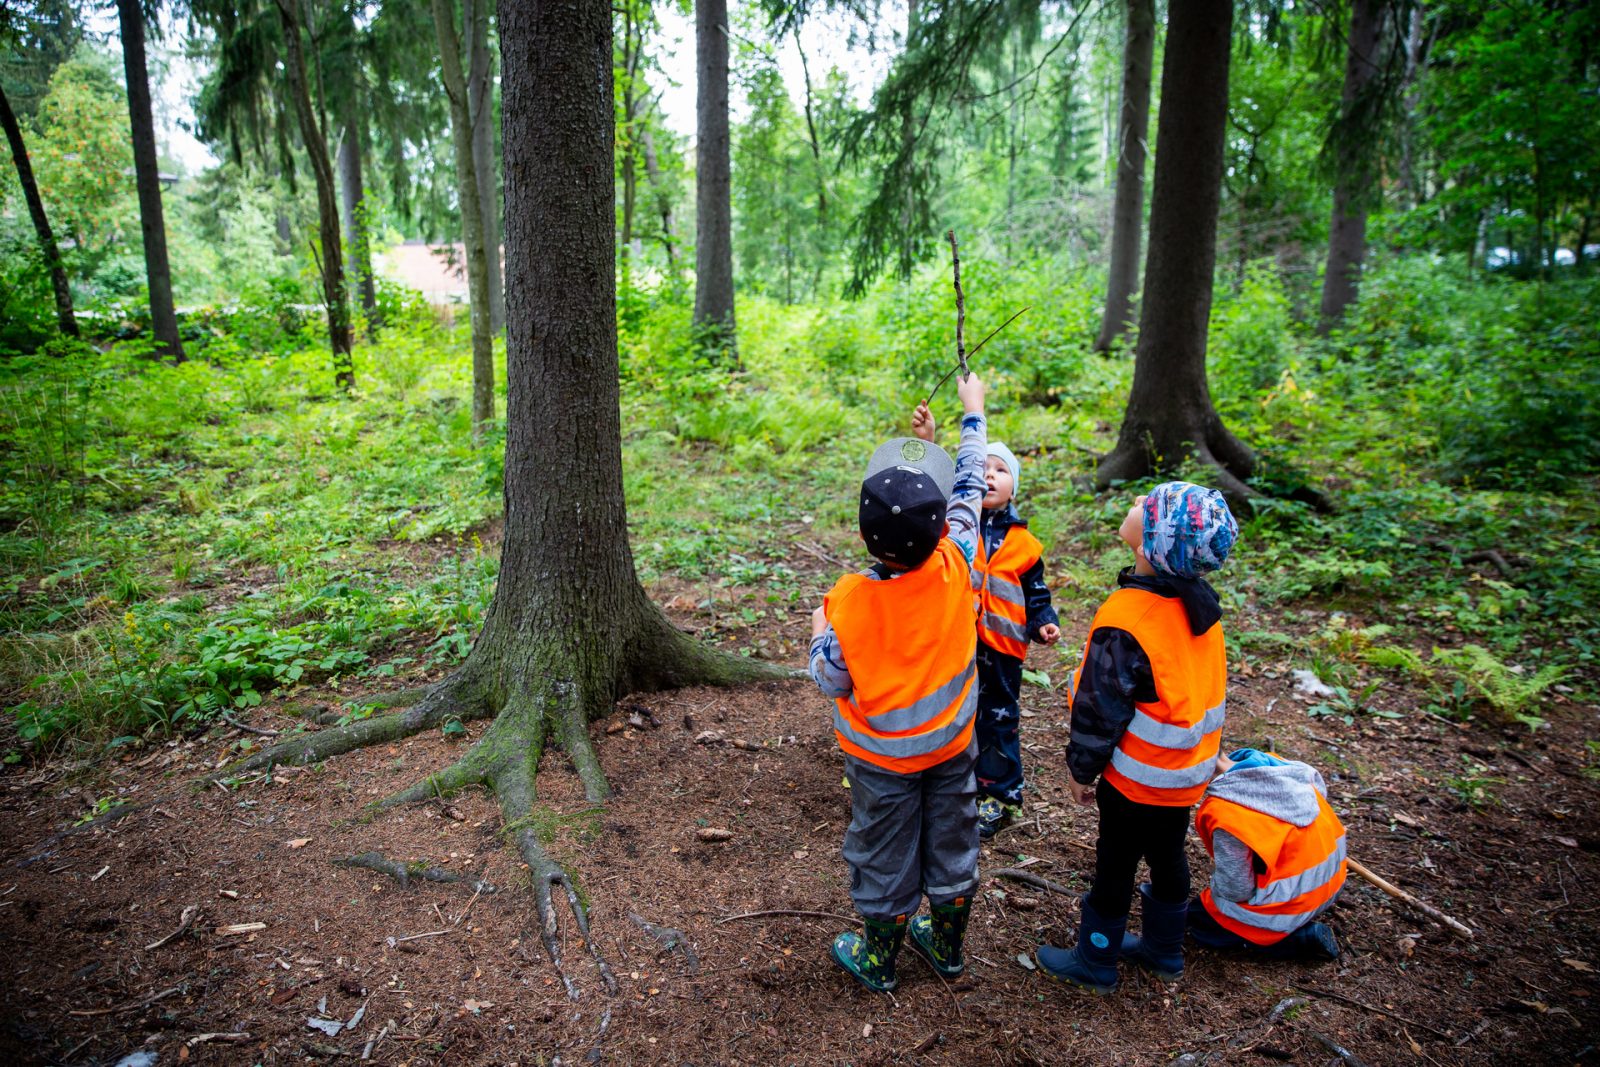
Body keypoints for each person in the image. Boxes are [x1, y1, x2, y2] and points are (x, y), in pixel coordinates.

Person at [807, 373, 989, 993]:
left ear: (864, 533)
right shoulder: (958, 560)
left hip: (882, 761)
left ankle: (880, 958)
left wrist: (816, 631)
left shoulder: (849, 604)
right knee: (953, 837)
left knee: (883, 847)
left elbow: (831, 679)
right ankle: (946, 946)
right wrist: (971, 418)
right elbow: (968, 487)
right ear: (940, 528)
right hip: (950, 746)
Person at [1036, 481, 1238, 993]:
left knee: (1116, 861)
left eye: (1146, 507)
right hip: (1185, 773)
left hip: (1136, 780)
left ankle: (1096, 959)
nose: (1134, 505)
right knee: (1169, 854)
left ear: (1154, 543)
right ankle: (1163, 951)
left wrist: (1081, 771)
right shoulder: (1201, 607)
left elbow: (1099, 712)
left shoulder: (1129, 619)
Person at [912, 407, 1060, 839]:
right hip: (954, 644)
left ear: (1014, 485)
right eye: (983, 468)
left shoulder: (1026, 543)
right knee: (951, 712)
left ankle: (998, 794)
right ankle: (949, 787)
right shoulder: (955, 527)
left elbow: (1036, 593)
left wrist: (1043, 621)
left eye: (1001, 470)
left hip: (1002, 651)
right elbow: (938, 494)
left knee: (998, 720)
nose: (990, 476)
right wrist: (932, 441)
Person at [1188, 748, 1345, 961]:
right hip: (1330, 883)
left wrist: (1214, 888)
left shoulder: (1227, 812)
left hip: (1292, 905)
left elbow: (1236, 890)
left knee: (1199, 921)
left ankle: (1296, 940)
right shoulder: (1279, 765)